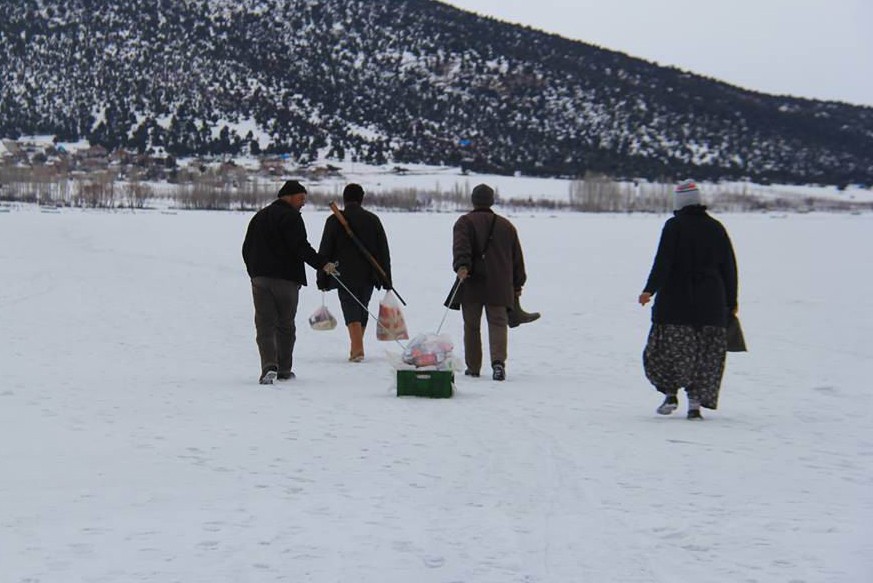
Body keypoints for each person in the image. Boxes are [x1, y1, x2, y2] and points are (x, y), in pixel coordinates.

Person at [638, 179, 738, 419]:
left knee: (668, 351)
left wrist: (649, 290)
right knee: (704, 354)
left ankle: (670, 394)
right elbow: (729, 268)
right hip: (711, 302)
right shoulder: (717, 228)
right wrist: (731, 301)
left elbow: (663, 262)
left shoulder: (674, 226)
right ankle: (694, 404)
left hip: (676, 303)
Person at [242, 180, 337, 385]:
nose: (303, 203)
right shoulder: (291, 217)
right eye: (301, 198)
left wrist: (254, 273)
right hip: (286, 280)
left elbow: (246, 248)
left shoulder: (259, 217)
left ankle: (268, 366)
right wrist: (323, 264)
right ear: (288, 196)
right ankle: (284, 369)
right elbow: (300, 247)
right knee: (285, 325)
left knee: (264, 325)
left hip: (260, 280)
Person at [453, 184, 528, 381]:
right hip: (500, 285)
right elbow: (517, 258)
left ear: (473, 200)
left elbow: (461, 249)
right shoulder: (506, 226)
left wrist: (462, 267)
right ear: (492, 201)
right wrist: (518, 284)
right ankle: (498, 364)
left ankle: (474, 367)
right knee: (498, 324)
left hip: (471, 283)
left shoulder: (464, 222)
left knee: (471, 327)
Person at [317, 183, 392, 362]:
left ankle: (357, 349)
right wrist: (386, 278)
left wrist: (322, 279)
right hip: (369, 273)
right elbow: (383, 251)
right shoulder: (373, 219)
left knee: (351, 308)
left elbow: (325, 250)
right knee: (362, 307)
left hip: (343, 274)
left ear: (344, 198)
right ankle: (356, 347)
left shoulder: (334, 220)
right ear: (361, 198)